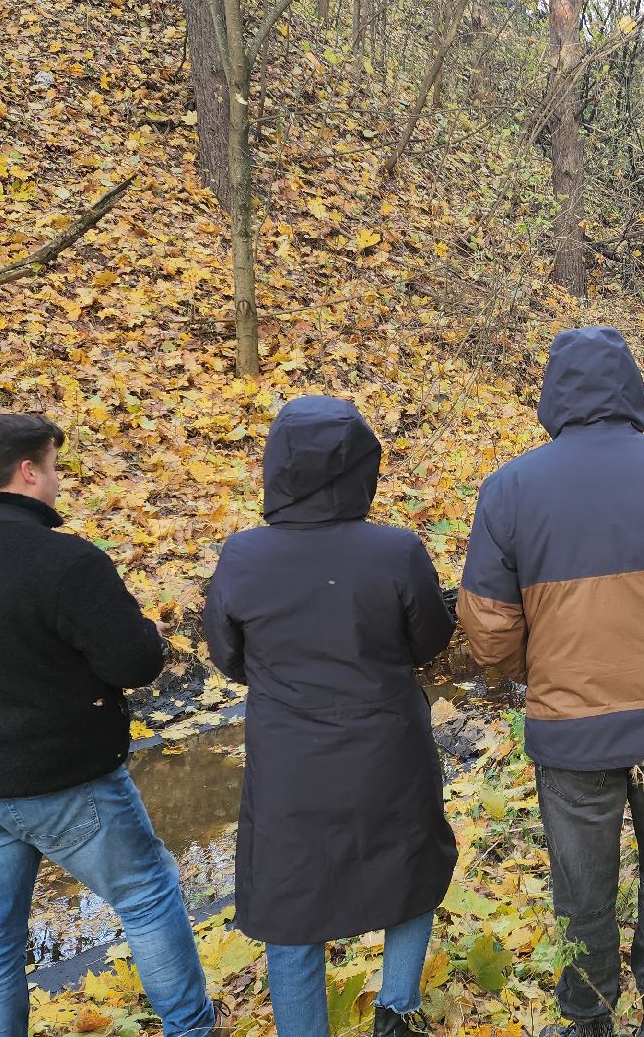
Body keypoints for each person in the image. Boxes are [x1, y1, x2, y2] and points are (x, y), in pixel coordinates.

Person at [457, 327, 644, 1037]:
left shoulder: (508, 489)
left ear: (553, 395)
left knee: (582, 888)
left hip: (571, 732)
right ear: (632, 388)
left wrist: (541, 672)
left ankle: (588, 1017)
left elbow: (489, 628)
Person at [0, 414, 220, 1037]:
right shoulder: (65, 560)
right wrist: (145, 633)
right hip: (64, 779)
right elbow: (135, 664)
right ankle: (192, 1029)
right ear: (27, 471)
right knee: (147, 895)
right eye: (54, 465)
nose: (59, 479)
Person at [203, 396, 457, 1037]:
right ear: (361, 467)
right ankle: (396, 1010)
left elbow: (228, 655)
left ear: (277, 468)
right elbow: (430, 639)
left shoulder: (242, 555)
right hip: (387, 747)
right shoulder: (395, 551)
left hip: (289, 759)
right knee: (409, 867)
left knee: (292, 898)